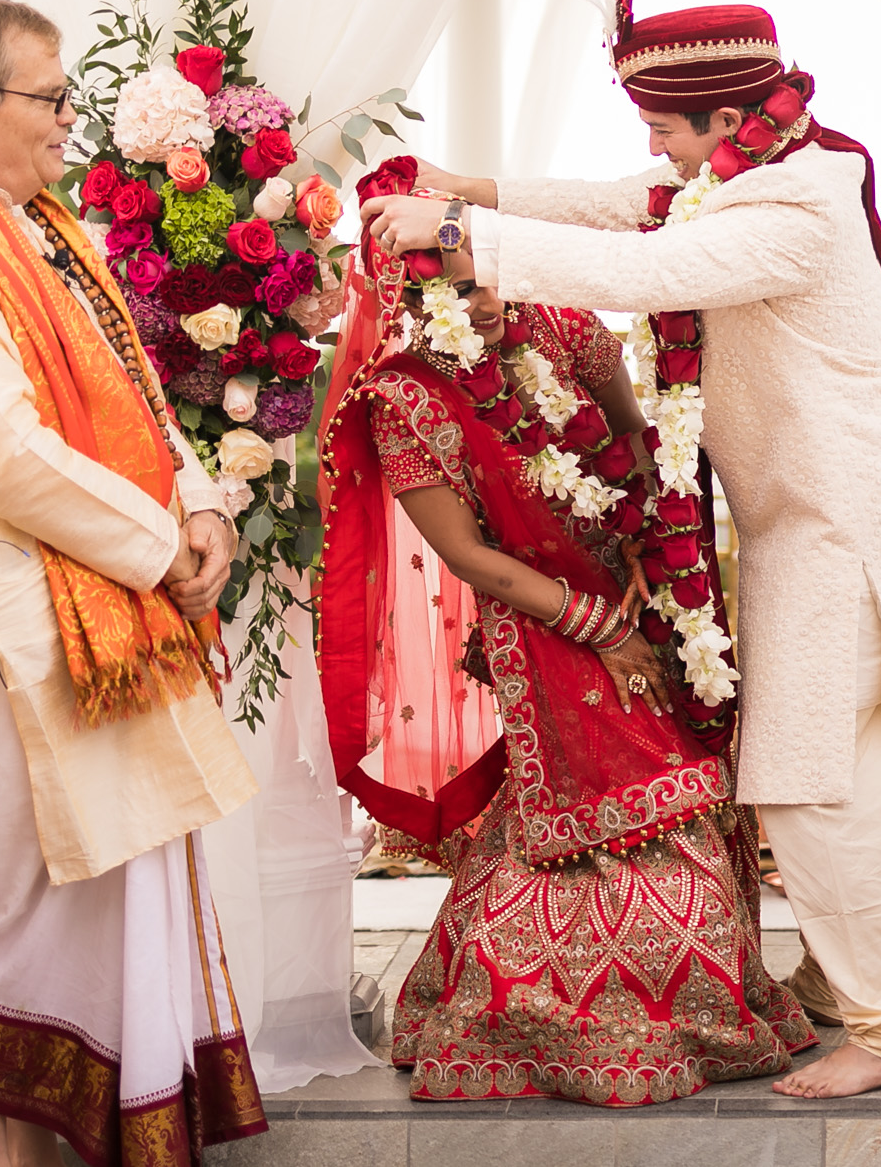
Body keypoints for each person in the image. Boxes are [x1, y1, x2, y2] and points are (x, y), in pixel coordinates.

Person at [359, 0, 881, 1098]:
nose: (650, 151)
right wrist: (473, 188)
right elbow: (633, 208)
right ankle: (834, 983)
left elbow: (652, 272)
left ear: (723, 118)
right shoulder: (752, 171)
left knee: (807, 788)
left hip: (846, 536)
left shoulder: (794, 207)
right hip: (832, 528)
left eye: (664, 129)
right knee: (842, 779)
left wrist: (463, 241)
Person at [0, 0, 265, 1164]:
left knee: (96, 919)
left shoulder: (38, 231)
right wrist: (157, 547)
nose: (72, 122)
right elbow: (6, 453)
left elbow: (120, 387)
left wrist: (201, 500)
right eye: (52, 99)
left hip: (81, 622)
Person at [321, 159, 816, 1105]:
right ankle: (542, 1012)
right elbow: (470, 555)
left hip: (639, 589)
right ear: (412, 291)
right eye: (453, 283)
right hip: (540, 618)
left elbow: (634, 437)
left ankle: (697, 1000)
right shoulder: (408, 395)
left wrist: (646, 550)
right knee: (578, 787)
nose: (487, 295)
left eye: (486, 269)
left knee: (687, 775)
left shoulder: (565, 324)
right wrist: (595, 624)